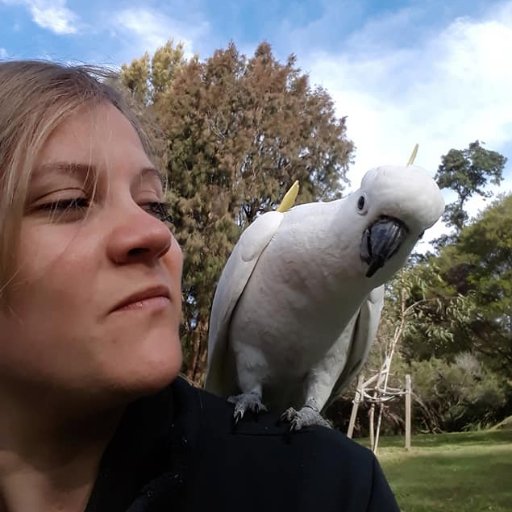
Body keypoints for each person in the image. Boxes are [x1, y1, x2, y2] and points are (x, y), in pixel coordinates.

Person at [0, 59, 400, 512]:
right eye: (67, 201)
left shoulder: (332, 489)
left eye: (153, 205)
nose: (156, 235)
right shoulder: (269, 237)